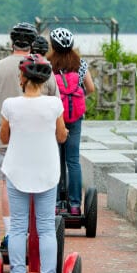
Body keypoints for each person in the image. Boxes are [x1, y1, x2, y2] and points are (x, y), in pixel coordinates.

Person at [0, 22, 59, 243]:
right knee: (40, 184)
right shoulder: (43, 66)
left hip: (6, 137)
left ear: (11, 41)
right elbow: (56, 102)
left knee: (9, 183)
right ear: (32, 42)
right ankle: (34, 234)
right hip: (39, 138)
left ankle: (10, 233)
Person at [0, 53, 68, 273]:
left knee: (18, 227)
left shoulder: (10, 105)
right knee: (47, 228)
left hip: (17, 169)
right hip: (47, 171)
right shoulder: (54, 104)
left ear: (22, 78)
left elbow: (4, 137)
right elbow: (61, 136)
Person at [47, 27, 95, 215]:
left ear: (52, 45)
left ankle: (56, 203)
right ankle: (75, 205)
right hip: (75, 117)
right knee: (73, 160)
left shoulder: (48, 65)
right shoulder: (80, 64)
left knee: (55, 158)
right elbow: (90, 88)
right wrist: (79, 99)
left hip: (53, 117)